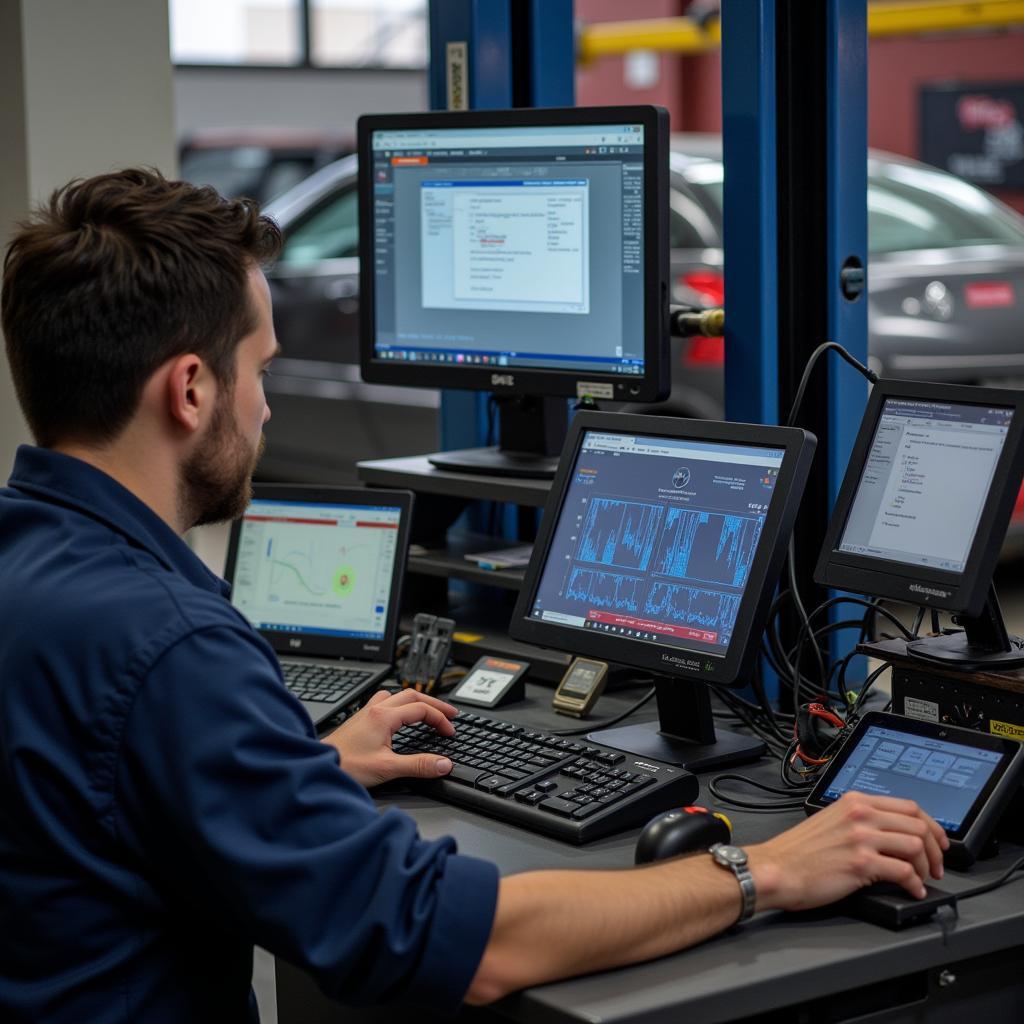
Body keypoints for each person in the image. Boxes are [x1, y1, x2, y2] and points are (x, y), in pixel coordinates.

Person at [0, 169, 947, 1022]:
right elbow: (460, 940)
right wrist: (770, 868)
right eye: (264, 369)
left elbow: (99, 802)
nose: (268, 405)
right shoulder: (171, 649)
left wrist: (308, 774)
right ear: (192, 390)